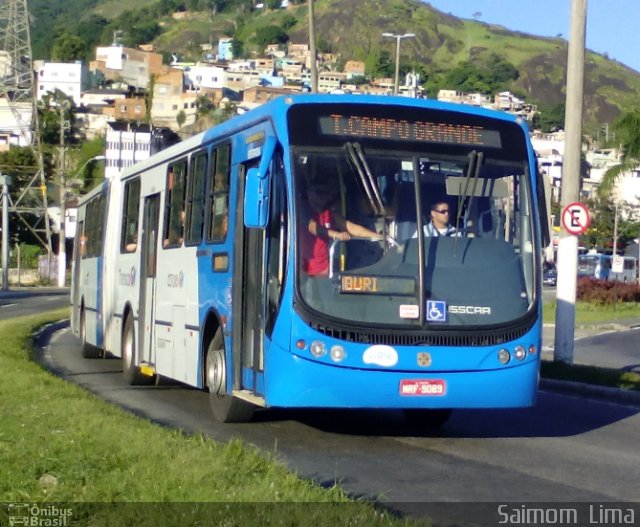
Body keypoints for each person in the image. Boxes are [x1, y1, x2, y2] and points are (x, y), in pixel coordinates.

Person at [302, 186, 382, 277]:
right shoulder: (302, 210)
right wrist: (336, 234)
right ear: (310, 193)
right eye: (319, 193)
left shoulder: (329, 214)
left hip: (325, 268)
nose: (325, 197)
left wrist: (378, 236)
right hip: (305, 271)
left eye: (327, 194)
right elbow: (313, 227)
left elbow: (351, 227)